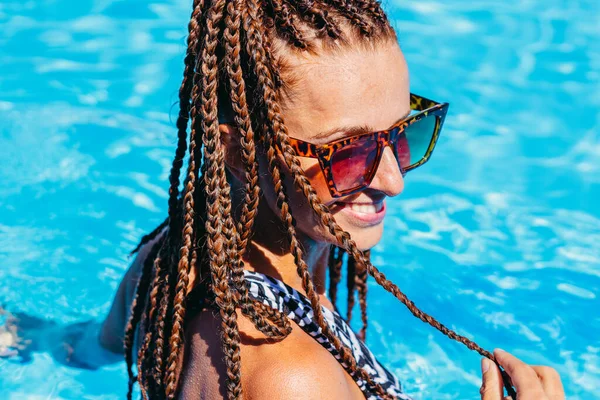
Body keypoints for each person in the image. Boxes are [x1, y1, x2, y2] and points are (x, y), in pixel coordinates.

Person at [67, 0, 566, 399]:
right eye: (349, 152)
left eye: (404, 132)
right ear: (238, 152)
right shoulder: (293, 378)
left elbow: (86, 350)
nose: (394, 180)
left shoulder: (173, 260)